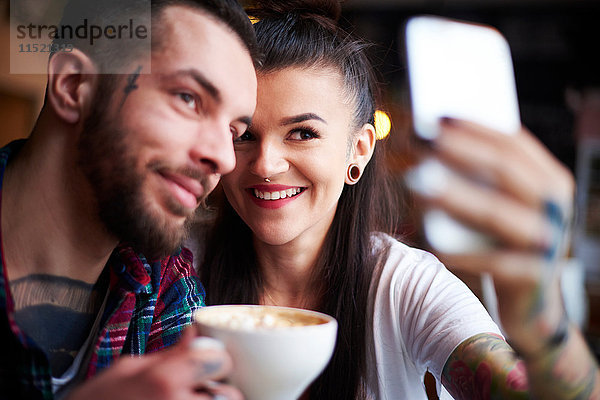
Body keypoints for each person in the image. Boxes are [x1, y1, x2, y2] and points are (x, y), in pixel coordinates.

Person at [197, 0, 600, 398]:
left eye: (302, 133)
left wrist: (542, 320)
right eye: (245, 135)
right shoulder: (175, 274)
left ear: (359, 150)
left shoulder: (406, 287)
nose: (266, 164)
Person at [0, 0, 258, 399]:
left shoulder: (163, 283)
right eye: (188, 98)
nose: (224, 159)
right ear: (74, 85)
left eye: (234, 131)